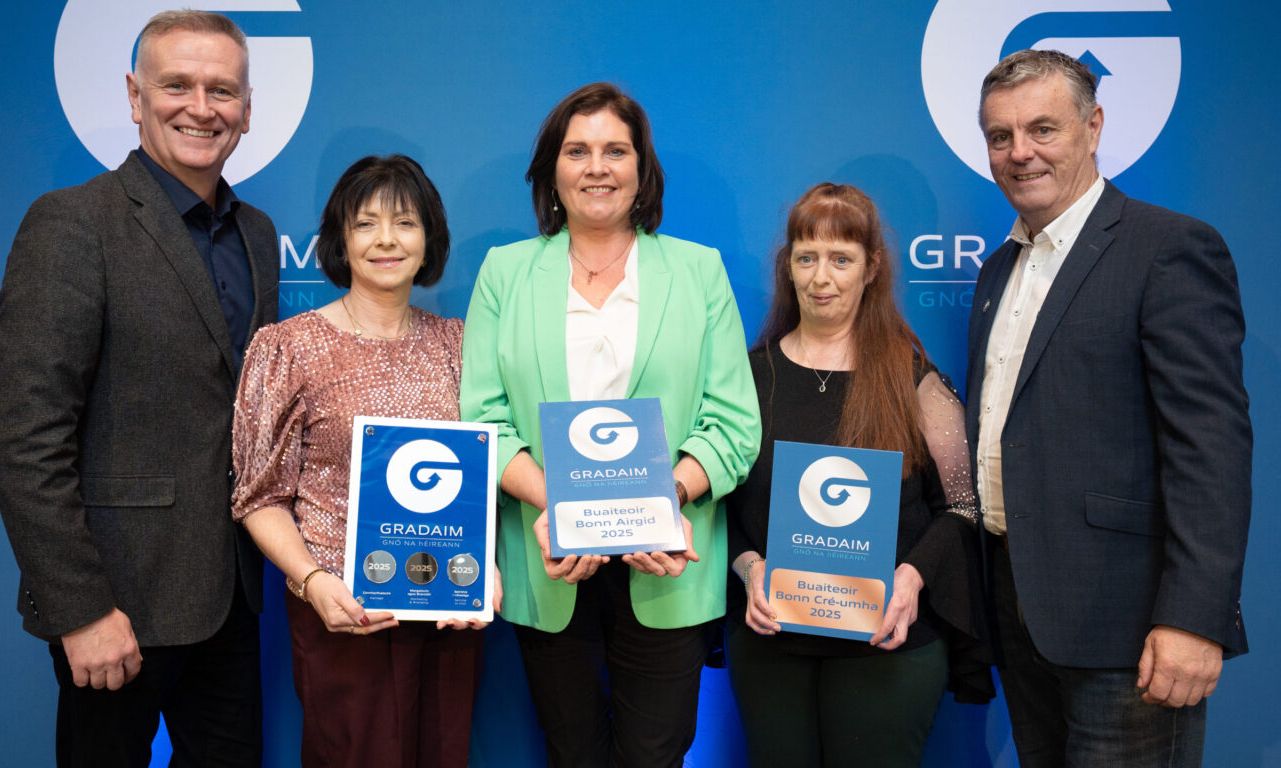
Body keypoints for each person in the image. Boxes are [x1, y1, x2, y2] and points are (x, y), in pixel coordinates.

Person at [0, 10, 275, 766]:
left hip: (234, 599)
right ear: (134, 95)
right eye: (176, 84)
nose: (201, 108)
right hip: (117, 605)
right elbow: (23, 435)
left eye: (222, 90)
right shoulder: (74, 223)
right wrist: (81, 611)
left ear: (247, 108)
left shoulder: (258, 235)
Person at [460, 82, 760, 767]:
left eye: (615, 150)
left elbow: (733, 423)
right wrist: (558, 504)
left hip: (668, 561)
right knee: (572, 752)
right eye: (578, 150)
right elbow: (484, 418)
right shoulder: (505, 273)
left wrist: (663, 501)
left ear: (641, 169)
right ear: (553, 170)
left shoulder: (698, 270)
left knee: (654, 754)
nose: (597, 166)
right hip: (549, 561)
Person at [967, 49, 1251, 767]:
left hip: (1130, 635)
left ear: (1093, 127)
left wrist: (1194, 619)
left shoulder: (1168, 249)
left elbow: (1210, 450)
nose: (1019, 153)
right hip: (1020, 615)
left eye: (1042, 129)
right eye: (1000, 136)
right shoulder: (998, 269)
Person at [231, 154, 485, 767]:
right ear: (341, 240)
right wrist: (313, 582)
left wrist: (485, 569)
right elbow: (257, 496)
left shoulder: (458, 343)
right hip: (343, 615)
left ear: (430, 239)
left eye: (405, 223)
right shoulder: (288, 347)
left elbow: (483, 471)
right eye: (366, 224)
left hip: (447, 614)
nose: (387, 240)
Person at [725, 183, 986, 767]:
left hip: (887, 643)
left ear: (871, 269)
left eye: (841, 259)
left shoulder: (911, 377)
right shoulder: (747, 377)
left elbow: (963, 506)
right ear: (787, 267)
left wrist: (913, 577)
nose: (822, 277)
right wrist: (749, 568)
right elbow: (717, 507)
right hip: (771, 644)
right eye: (806, 257)